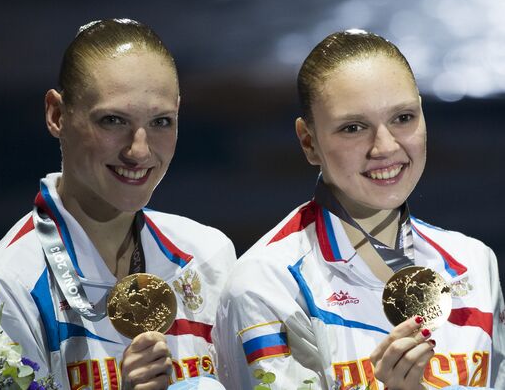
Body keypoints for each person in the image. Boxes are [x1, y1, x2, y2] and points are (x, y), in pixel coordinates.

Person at [212, 29, 505, 390]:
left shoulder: (474, 263)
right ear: (309, 141)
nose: (384, 146)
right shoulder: (267, 287)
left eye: (403, 118)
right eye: (353, 128)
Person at [0, 18, 236, 389]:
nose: (139, 150)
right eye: (112, 120)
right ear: (57, 114)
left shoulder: (207, 256)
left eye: (161, 121)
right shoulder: (4, 285)